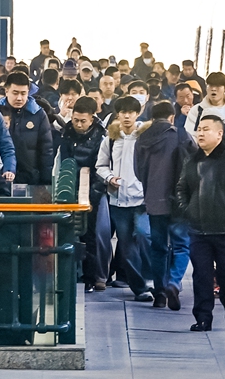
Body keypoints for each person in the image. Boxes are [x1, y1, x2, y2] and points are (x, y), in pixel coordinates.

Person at [175, 115, 225, 332]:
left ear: (219, 134)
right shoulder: (192, 160)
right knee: (202, 276)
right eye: (199, 129)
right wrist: (188, 210)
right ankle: (203, 318)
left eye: (206, 129)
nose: (200, 133)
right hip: (199, 230)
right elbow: (181, 188)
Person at [134, 100, 193, 311]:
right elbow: (193, 166)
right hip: (178, 201)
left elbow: (138, 171)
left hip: (153, 201)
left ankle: (159, 293)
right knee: (181, 245)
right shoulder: (180, 134)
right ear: (171, 117)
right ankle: (174, 283)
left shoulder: (142, 138)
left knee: (158, 248)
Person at [94, 95, 153, 302]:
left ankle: (151, 278)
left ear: (138, 114)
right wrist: (110, 178)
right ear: (117, 114)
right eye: (123, 112)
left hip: (143, 199)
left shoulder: (145, 137)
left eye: (131, 112)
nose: (127, 116)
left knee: (145, 236)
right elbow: (100, 166)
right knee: (127, 248)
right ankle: (139, 289)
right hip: (118, 200)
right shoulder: (110, 139)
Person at [56, 97, 108, 292]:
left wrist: (92, 195)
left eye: (83, 121)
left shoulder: (101, 138)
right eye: (76, 119)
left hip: (91, 191)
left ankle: (91, 276)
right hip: (68, 188)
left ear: (92, 119)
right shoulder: (66, 132)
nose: (78, 124)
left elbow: (101, 167)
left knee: (90, 234)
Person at [1, 72, 53, 185]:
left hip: (31, 178)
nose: (19, 98)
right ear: (6, 91)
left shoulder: (38, 114)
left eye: (23, 93)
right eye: (15, 93)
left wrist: (46, 180)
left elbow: (46, 149)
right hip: (2, 177)